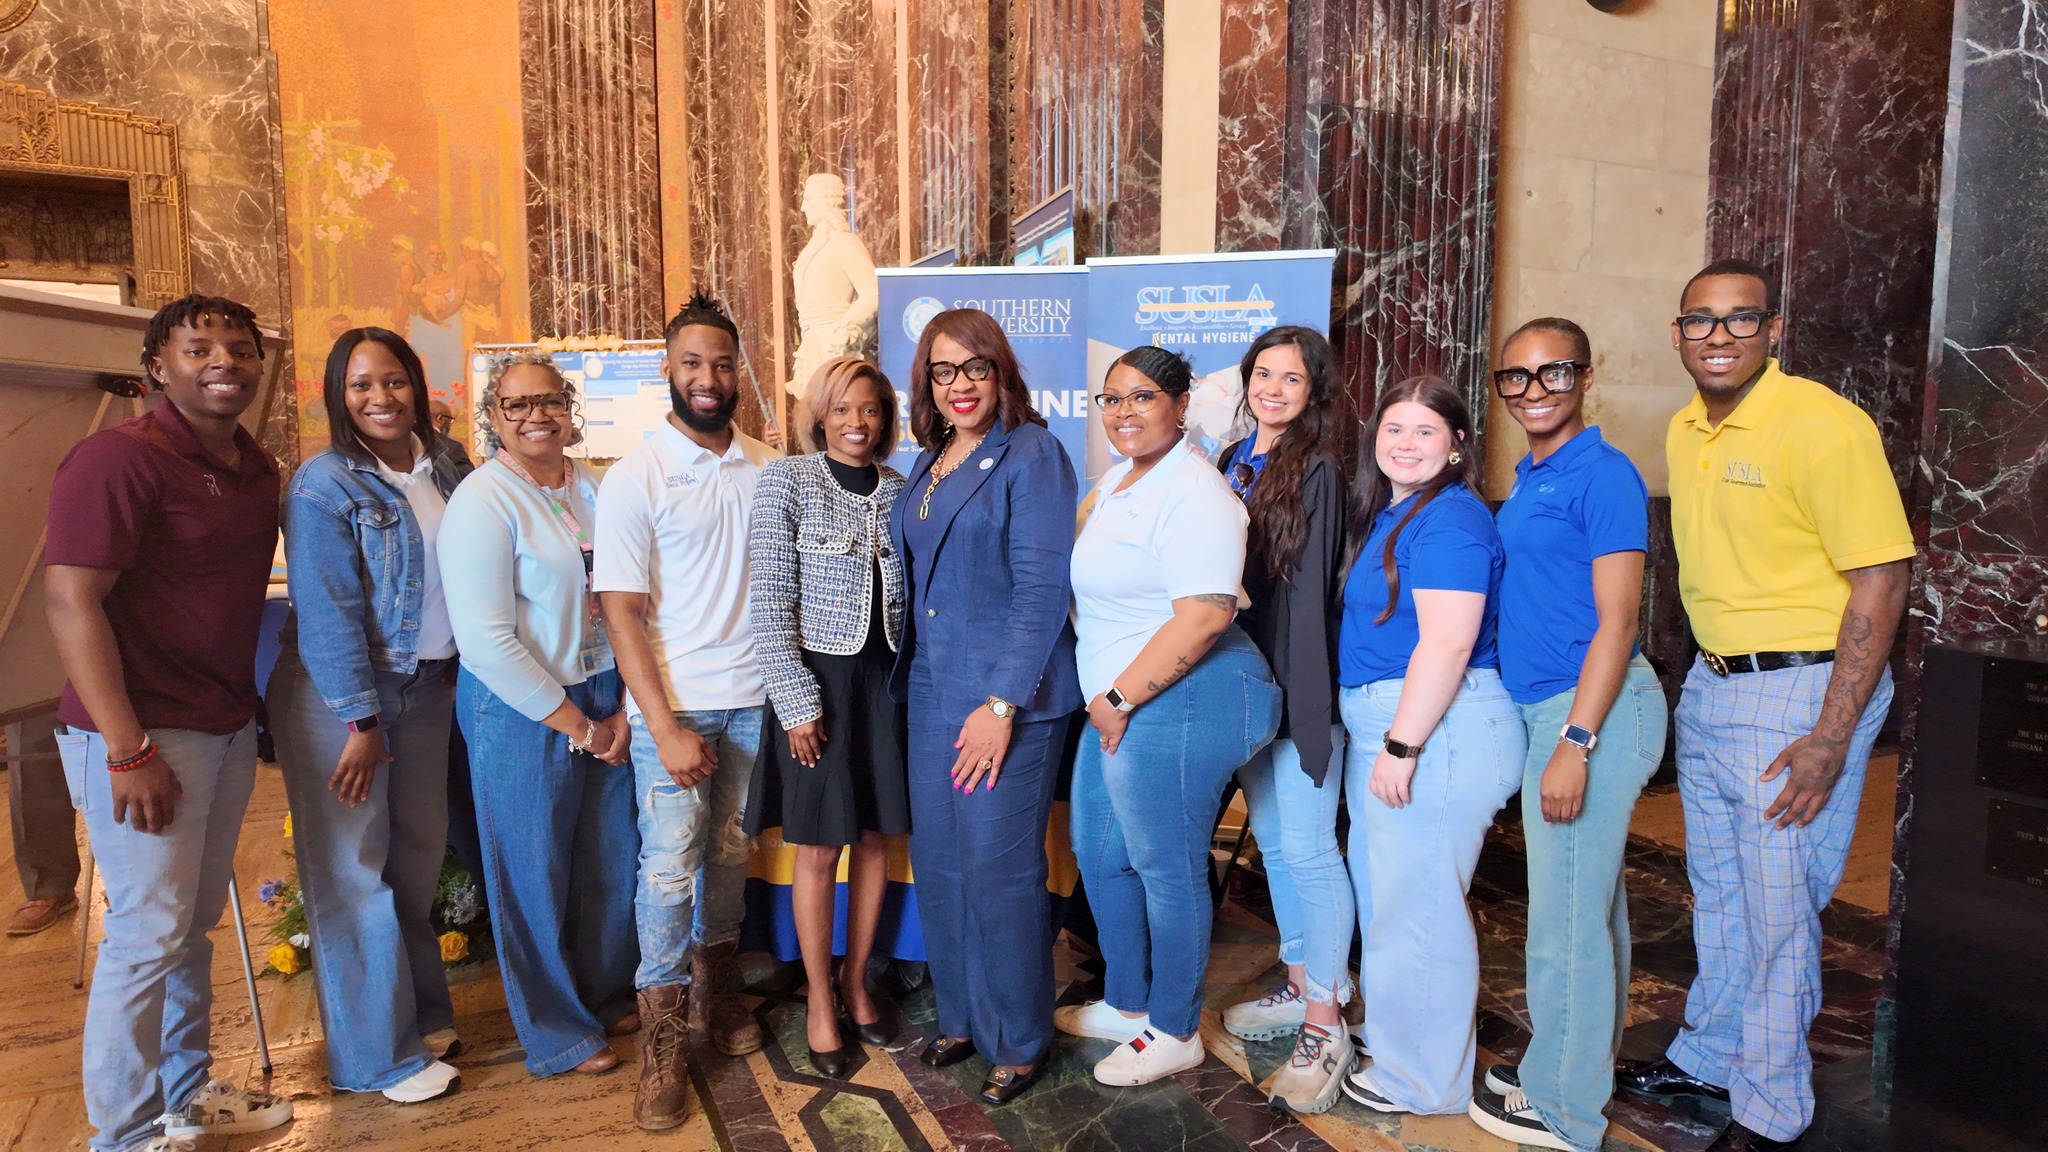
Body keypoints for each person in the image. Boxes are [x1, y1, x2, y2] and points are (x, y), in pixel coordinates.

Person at [1616, 260, 1910, 1152]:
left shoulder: (1823, 425)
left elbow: (1882, 577)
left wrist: (1832, 731)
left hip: (1800, 693)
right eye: (1699, 320)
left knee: (1781, 912)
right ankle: (1710, 1058)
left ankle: (1769, 1112)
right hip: (1711, 686)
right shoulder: (1682, 428)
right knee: (1722, 897)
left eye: (1739, 319)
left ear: (1773, 330)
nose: (1718, 334)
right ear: (1677, 334)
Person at [44, 294, 292, 1152]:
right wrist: (127, 746)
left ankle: (187, 1093)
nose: (224, 360)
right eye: (199, 348)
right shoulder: (116, 460)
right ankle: (124, 1133)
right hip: (144, 735)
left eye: (239, 347)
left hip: (220, 721)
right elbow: (70, 602)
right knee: (147, 934)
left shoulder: (255, 467)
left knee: (191, 926)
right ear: (158, 366)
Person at [1058, 346, 1282, 1087]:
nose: (1125, 412)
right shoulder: (1120, 480)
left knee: (1164, 863)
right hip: (1117, 698)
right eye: (1112, 399)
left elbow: (1207, 615)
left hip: (1187, 691)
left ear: (1182, 404)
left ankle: (1175, 1026)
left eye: (1143, 397)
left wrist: (1121, 699)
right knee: (1099, 850)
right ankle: (1128, 1002)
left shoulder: (1197, 491)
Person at [1466, 319, 1666, 1151]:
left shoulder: (1605, 474)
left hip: (1593, 712)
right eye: (1516, 377)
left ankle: (1565, 1110)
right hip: (1555, 708)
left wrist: (1575, 741)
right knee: (1596, 912)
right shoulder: (1531, 472)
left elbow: (1618, 621)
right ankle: (1575, 1063)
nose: (1534, 390)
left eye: (1553, 373)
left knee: (1564, 922)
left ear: (1586, 376)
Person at [269, 328, 467, 1105]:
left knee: (413, 859)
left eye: (393, 381)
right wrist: (359, 721)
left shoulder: (446, 464)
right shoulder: (323, 485)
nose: (380, 398)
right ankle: (373, 1060)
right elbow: (327, 615)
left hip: (431, 689)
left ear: (416, 385)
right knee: (350, 872)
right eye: (360, 386)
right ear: (337, 395)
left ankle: (420, 1019)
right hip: (345, 699)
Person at [594, 292, 775, 1130]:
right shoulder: (637, 477)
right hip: (678, 710)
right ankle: (663, 1039)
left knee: (731, 855)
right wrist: (661, 726)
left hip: (753, 704)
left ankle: (722, 995)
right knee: (668, 868)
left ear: (740, 372)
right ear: (667, 370)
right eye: (692, 363)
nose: (708, 378)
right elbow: (621, 613)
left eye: (722, 363)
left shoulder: (768, 466)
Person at [890, 308, 1080, 1106]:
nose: (959, 385)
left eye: (975, 368)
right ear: (925, 382)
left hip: (1007, 696)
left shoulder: (1032, 453)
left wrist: (1000, 703)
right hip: (932, 687)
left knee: (999, 872)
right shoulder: (930, 458)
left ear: (1001, 372)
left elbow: (1041, 592)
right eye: (943, 371)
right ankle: (964, 1017)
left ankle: (1019, 1039)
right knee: (940, 864)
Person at [440, 351, 640, 1086]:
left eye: (550, 400)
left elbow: (621, 593)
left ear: (569, 408)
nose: (536, 416)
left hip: (603, 693)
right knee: (533, 872)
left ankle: (603, 992)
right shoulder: (483, 500)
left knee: (609, 860)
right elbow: (486, 642)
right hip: (524, 709)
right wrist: (579, 727)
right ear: (493, 417)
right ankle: (556, 1030)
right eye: (517, 404)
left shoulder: (590, 488)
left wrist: (618, 703)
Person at [1336, 374, 1528, 1117]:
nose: (1405, 444)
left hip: (1436, 731)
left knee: (1419, 910)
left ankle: (1425, 1082)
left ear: (1455, 445)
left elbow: (1447, 644)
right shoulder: (1397, 512)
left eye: (1424, 431)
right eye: (1393, 429)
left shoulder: (1449, 520)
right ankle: (1403, 1048)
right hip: (1397, 723)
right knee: (1395, 902)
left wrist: (1403, 745)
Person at [744, 357, 909, 1079]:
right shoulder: (787, 481)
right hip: (820, 686)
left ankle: (855, 980)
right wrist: (796, 702)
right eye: (842, 410)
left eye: (870, 410)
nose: (856, 424)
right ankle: (817, 997)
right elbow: (770, 601)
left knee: (874, 840)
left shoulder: (903, 490)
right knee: (819, 849)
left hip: (886, 685)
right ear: (820, 415)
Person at [1212, 327, 1355, 1112]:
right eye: (1262, 373)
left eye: (1290, 378)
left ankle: (1327, 1020)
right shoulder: (1233, 460)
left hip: (1295, 692)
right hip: (1245, 686)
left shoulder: (1320, 467)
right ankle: (1302, 984)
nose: (1272, 388)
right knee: (1276, 844)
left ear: (1314, 391)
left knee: (1308, 849)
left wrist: (1303, 710)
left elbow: (1305, 599)